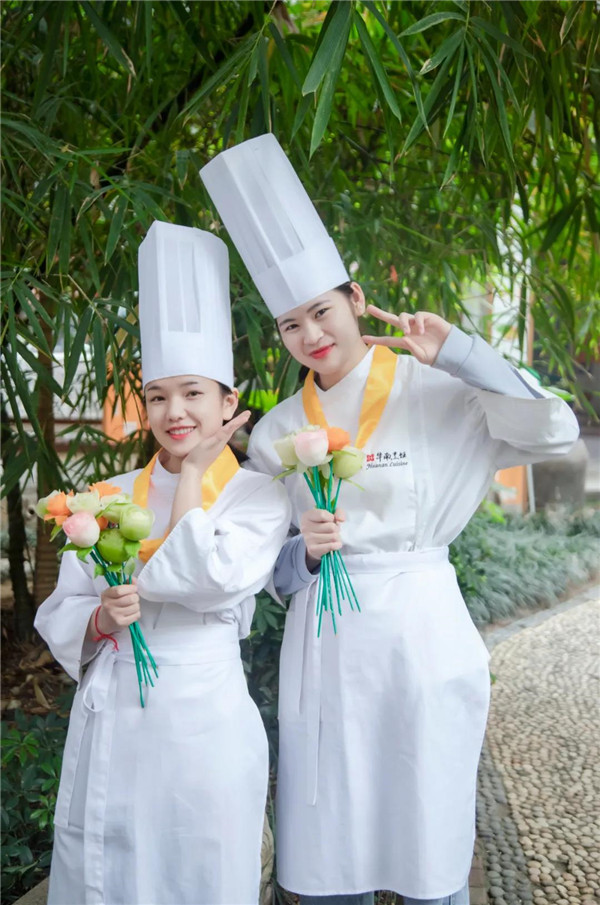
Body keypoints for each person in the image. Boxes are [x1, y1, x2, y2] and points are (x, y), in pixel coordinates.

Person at [200, 135, 580, 905]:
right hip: (323, 650)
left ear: (356, 297)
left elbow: (555, 430)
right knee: (327, 843)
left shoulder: (437, 389)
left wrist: (461, 352)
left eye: (321, 311)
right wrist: (306, 556)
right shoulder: (276, 432)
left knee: (426, 833)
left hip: (421, 635)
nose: (311, 336)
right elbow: (264, 566)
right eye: (290, 325)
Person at [35, 221, 291, 905]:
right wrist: (98, 619)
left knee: (197, 871)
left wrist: (194, 475)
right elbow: (62, 608)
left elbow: (203, 581)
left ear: (229, 402)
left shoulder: (260, 496)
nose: (174, 411)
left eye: (193, 393)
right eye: (157, 396)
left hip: (204, 717)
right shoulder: (107, 495)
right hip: (114, 713)